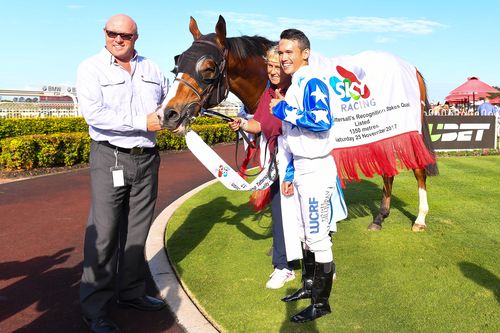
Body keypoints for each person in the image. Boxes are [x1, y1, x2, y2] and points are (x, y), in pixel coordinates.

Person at [76, 14, 168, 333]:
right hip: (110, 157)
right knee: (103, 234)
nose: (118, 39)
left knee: (137, 232)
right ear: (104, 34)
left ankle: (130, 292)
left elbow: (167, 108)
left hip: (147, 159)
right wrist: (144, 121)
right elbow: (95, 114)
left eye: (125, 36)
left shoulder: (153, 69)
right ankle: (94, 308)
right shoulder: (90, 68)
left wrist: (178, 120)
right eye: (113, 33)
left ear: (135, 38)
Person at [269, 29, 347, 323]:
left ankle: (321, 302)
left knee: (316, 237)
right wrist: (288, 171)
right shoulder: (294, 85)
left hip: (316, 169)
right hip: (302, 167)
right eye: (280, 52)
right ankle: (308, 286)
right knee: (304, 235)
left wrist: (283, 109)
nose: (283, 57)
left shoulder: (312, 81)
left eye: (289, 51)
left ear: (305, 53)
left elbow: (322, 121)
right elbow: (292, 138)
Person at [229, 45, 295, 289]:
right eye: (269, 66)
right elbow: (258, 123)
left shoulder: (297, 90)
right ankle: (282, 266)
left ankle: (318, 267)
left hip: (300, 164)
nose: (273, 71)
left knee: (306, 218)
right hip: (277, 164)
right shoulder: (269, 92)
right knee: (278, 213)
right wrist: (243, 124)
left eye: (278, 66)